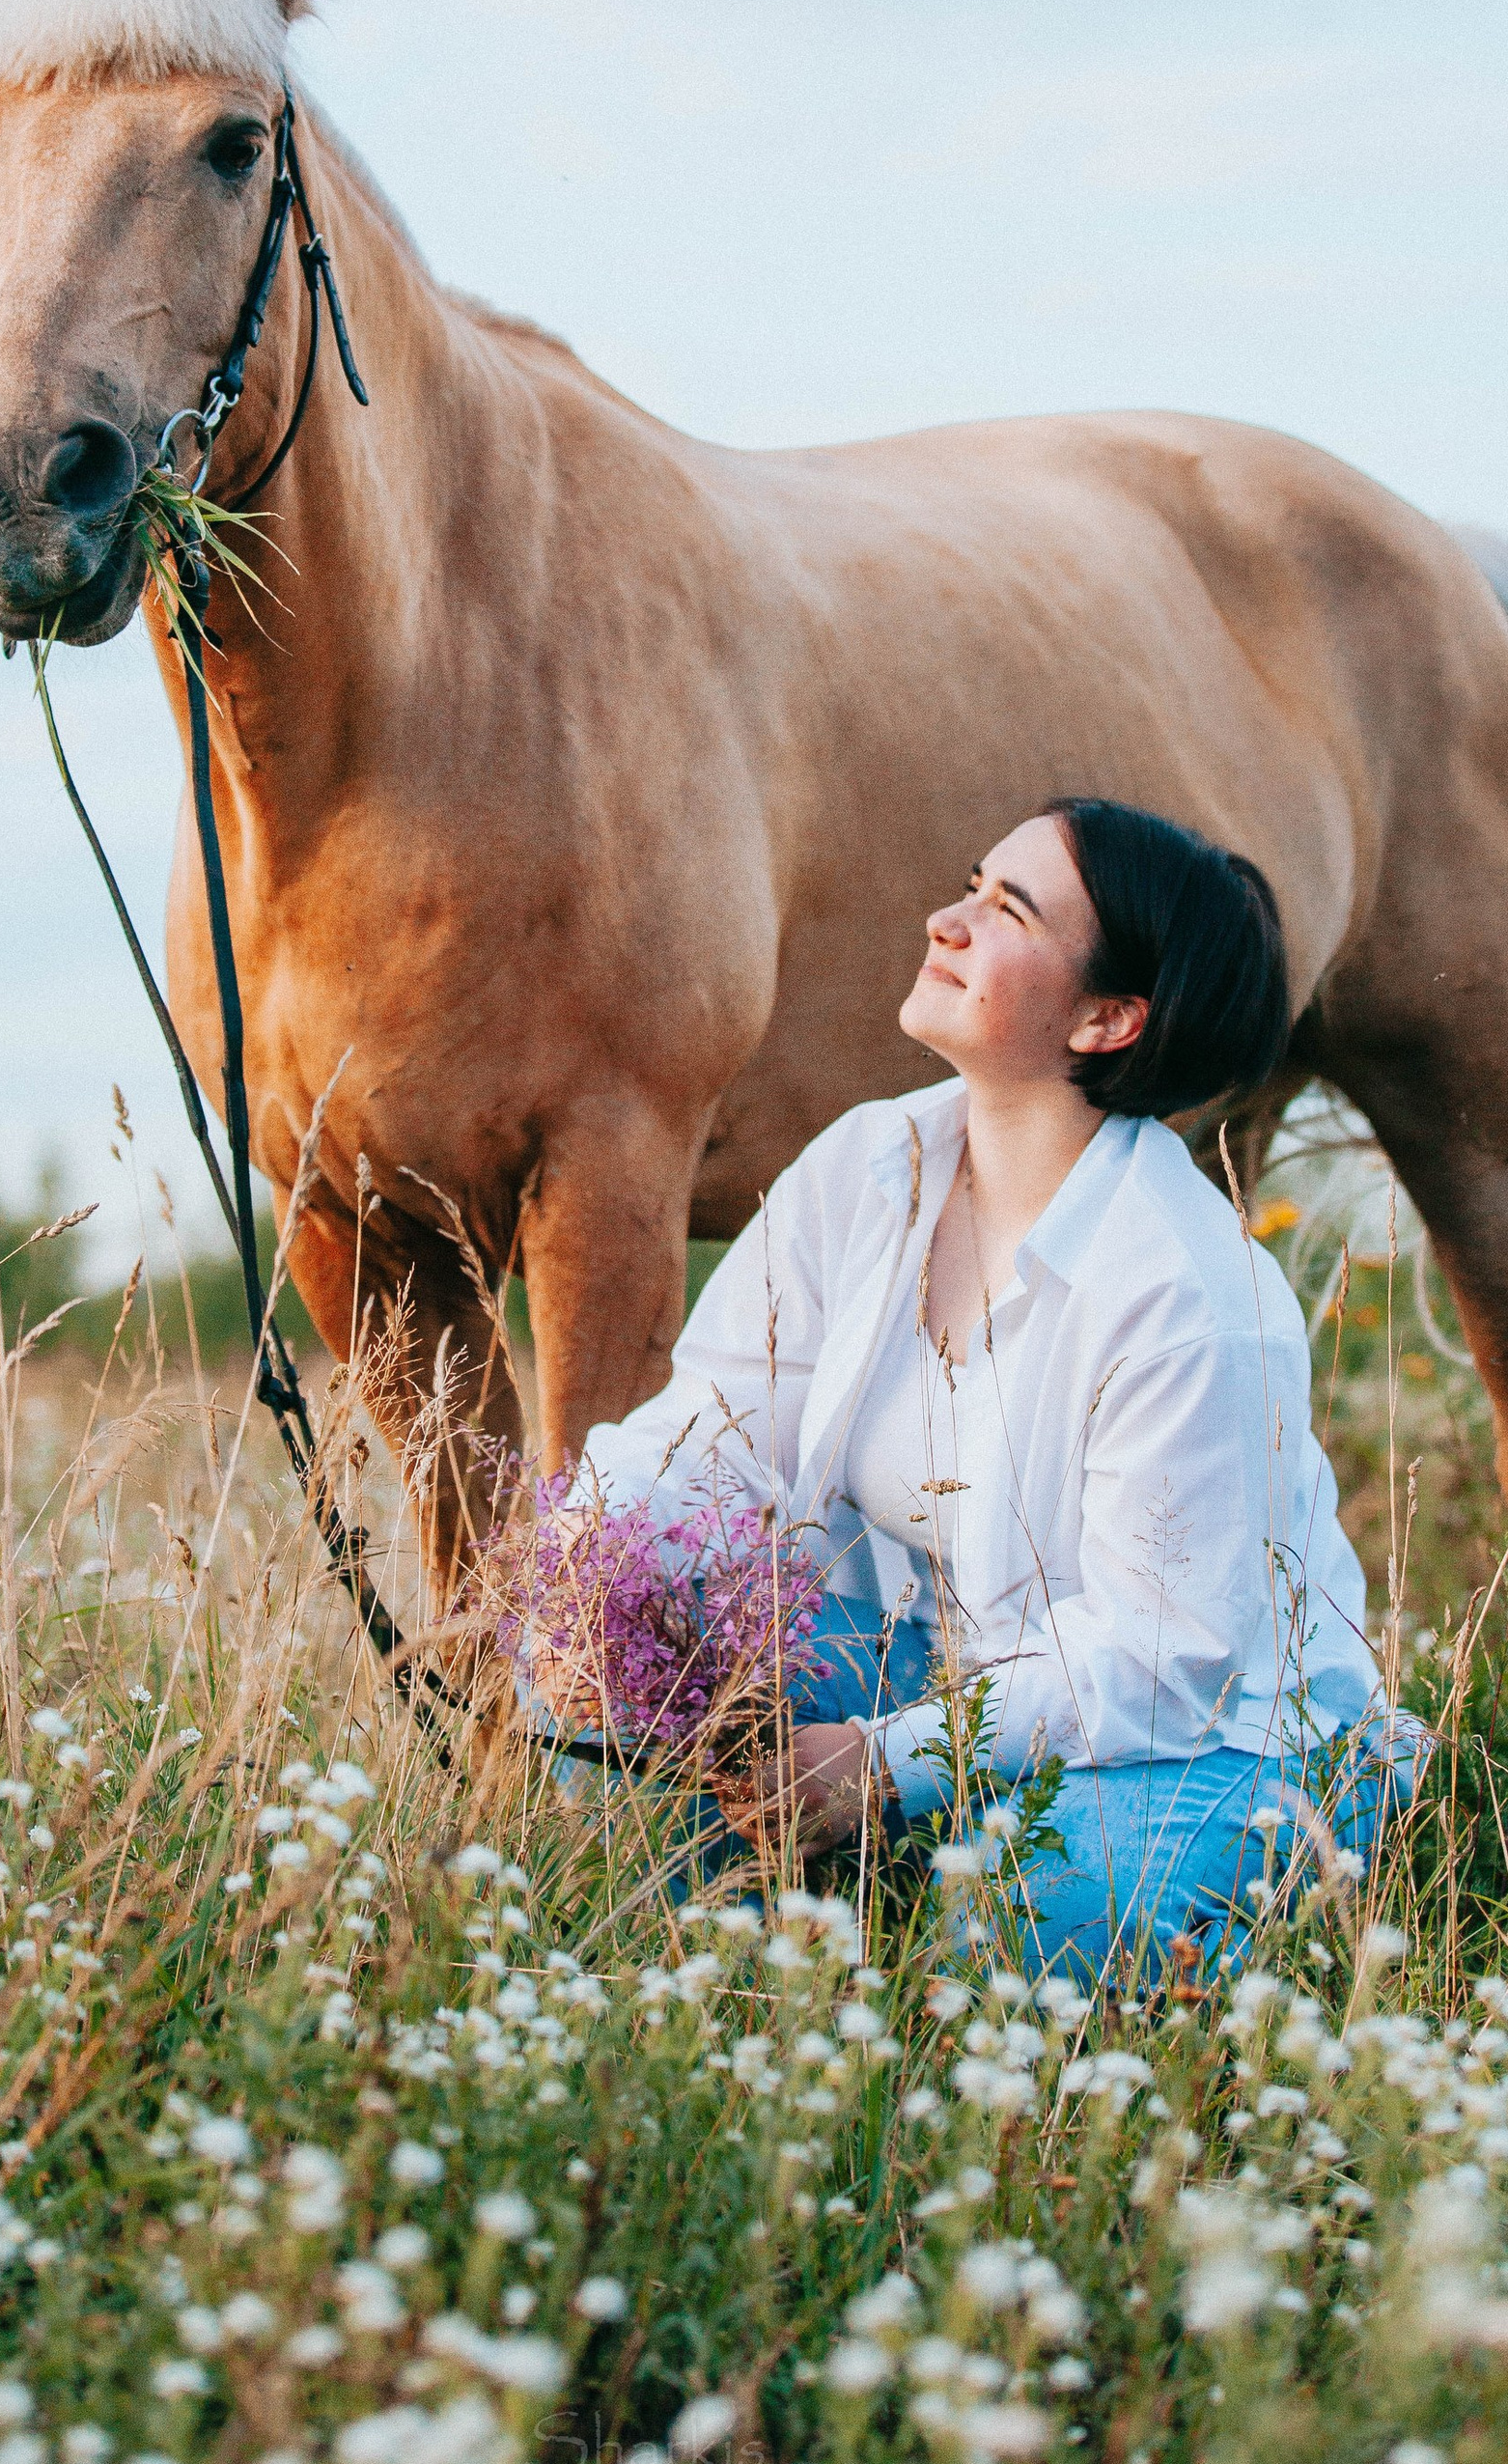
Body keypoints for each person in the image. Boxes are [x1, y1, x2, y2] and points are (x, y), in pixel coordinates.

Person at [570, 796, 1420, 1981]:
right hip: (941, 1668)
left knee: (1028, 1925)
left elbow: (1158, 1657)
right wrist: (578, 1571)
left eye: (1006, 908)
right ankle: (737, 1980)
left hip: (1203, 1738)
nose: (945, 918)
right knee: (622, 1702)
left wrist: (877, 1763)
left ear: (1109, 1017)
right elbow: (710, 1431)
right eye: (974, 880)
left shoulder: (1187, 1293)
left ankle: (944, 1892)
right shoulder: (867, 1166)